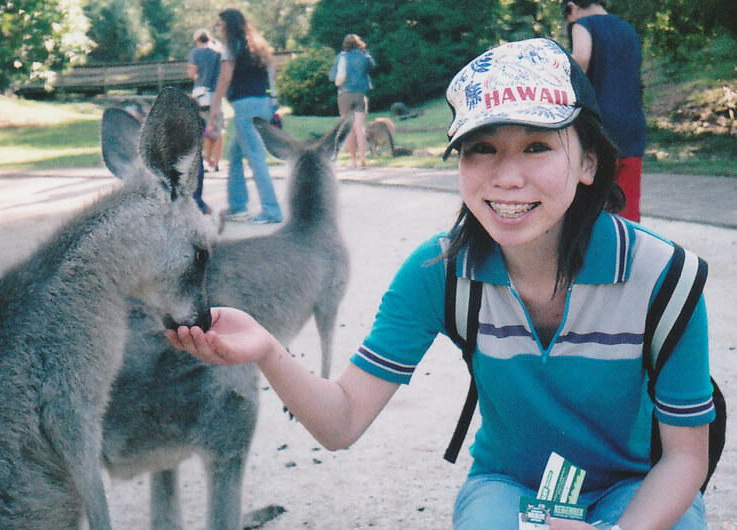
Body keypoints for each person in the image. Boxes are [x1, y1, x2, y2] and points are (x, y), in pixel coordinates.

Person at [167, 39, 713, 529]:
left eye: (537, 146)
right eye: (481, 148)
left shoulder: (664, 278)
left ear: (589, 162)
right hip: (511, 488)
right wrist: (266, 348)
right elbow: (342, 421)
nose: (505, 176)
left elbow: (687, 456)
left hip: (636, 488)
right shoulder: (440, 270)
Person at [563, 0, 647, 222]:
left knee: (593, 201)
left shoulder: (583, 24)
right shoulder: (627, 29)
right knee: (627, 204)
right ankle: (628, 250)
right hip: (632, 123)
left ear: (572, 8)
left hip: (599, 125)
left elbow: (581, 58)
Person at [208, 8, 283, 224]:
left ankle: (271, 209)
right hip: (263, 104)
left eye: (221, 24)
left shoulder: (232, 46)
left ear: (229, 25)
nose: (219, 28)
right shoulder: (258, 46)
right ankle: (237, 205)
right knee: (234, 154)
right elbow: (271, 74)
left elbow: (225, 77)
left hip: (244, 107)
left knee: (256, 158)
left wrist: (215, 107)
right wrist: (274, 102)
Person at [187, 28, 222, 215]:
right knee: (215, 131)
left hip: (200, 94)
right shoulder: (218, 51)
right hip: (216, 95)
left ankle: (204, 159)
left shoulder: (196, 52)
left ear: (197, 40)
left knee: (197, 136)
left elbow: (192, 75)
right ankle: (214, 162)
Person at [329, 34, 376, 169]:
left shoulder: (341, 57)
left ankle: (353, 161)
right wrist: (365, 51)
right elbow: (372, 64)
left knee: (348, 129)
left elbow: (332, 76)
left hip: (345, 95)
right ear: (358, 43)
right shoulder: (364, 56)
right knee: (359, 127)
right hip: (360, 94)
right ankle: (363, 158)